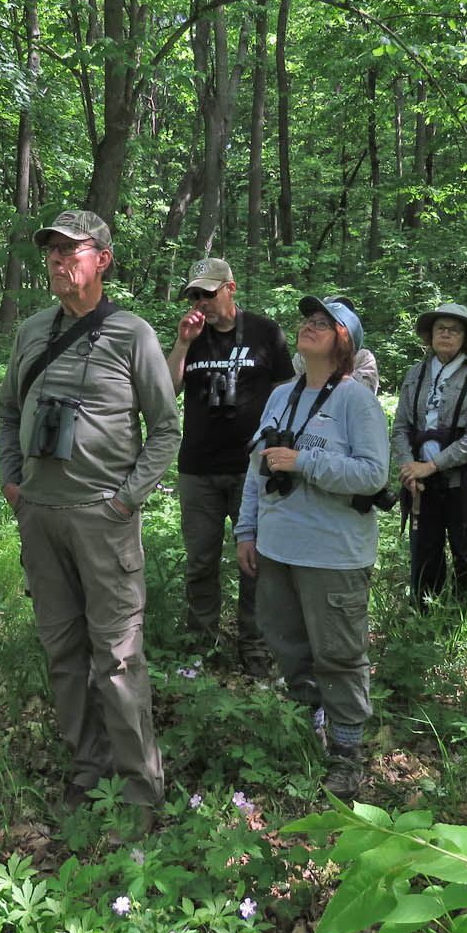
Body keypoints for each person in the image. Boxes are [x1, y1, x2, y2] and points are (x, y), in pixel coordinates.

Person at [0, 210, 180, 834]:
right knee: (62, 649)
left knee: (118, 655)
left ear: (102, 258)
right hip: (40, 518)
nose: (57, 259)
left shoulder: (133, 334)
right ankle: (88, 767)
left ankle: (138, 785)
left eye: (71, 250)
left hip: (104, 518)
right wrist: (12, 481)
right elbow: (6, 411)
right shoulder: (30, 332)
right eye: (51, 250)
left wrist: (127, 499)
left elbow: (165, 428)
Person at [235, 295, 389, 798]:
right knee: (287, 645)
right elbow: (259, 468)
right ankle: (312, 722)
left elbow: (372, 476)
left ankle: (346, 755)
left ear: (345, 343)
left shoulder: (355, 400)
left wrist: (302, 462)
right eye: (308, 320)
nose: (311, 326)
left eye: (326, 323)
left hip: (333, 554)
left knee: (340, 655)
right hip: (278, 550)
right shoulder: (281, 395)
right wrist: (246, 530)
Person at [166, 257, 295, 674]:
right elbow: (167, 389)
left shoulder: (265, 333)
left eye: (208, 293)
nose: (201, 302)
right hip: (198, 467)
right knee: (200, 562)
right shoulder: (193, 334)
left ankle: (254, 644)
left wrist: (276, 456)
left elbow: (285, 396)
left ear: (230, 289)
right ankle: (200, 643)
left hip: (251, 469)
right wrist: (184, 342)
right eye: (195, 295)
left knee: (254, 560)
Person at [391, 302, 467, 607]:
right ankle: (424, 623)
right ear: (431, 335)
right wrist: (408, 467)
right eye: (441, 329)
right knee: (425, 556)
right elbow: (400, 427)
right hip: (422, 486)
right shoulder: (415, 374)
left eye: (454, 330)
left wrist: (433, 466)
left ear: (465, 338)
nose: (447, 335)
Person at [292, 297, 380, 391]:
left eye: (323, 323)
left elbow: (363, 394)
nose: (308, 327)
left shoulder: (363, 357)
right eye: (309, 320)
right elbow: (294, 392)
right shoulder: (301, 358)